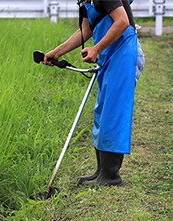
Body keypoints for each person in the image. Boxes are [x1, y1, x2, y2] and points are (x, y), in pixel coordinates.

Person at [43, 0, 143, 187]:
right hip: (109, 54)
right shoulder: (84, 1)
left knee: (113, 113)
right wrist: (56, 52)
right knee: (102, 112)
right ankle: (101, 172)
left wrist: (96, 48)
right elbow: (86, 31)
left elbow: (122, 21)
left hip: (124, 52)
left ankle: (111, 176)